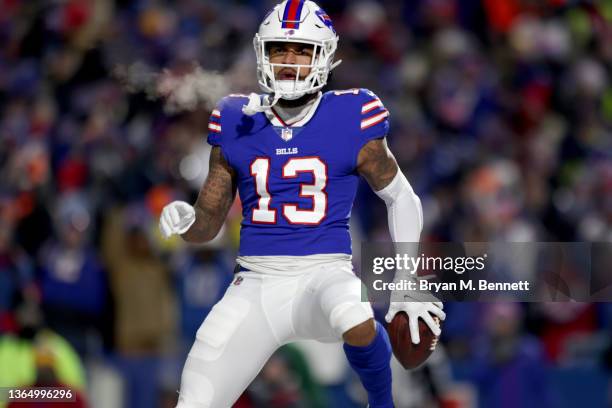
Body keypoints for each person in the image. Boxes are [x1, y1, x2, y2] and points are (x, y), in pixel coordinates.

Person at [159, 1, 445, 407]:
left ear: (323, 56)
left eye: (301, 50)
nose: (289, 59)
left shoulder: (352, 113)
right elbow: (208, 224)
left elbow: (402, 196)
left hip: (323, 274)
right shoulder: (236, 118)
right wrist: (188, 220)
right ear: (263, 53)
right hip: (255, 284)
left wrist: (405, 283)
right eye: (279, 49)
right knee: (194, 401)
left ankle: (383, 404)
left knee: (354, 310)